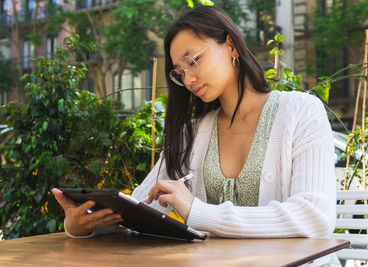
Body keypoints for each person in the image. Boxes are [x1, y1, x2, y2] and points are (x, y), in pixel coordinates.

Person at [53, 6, 338, 266]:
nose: (188, 79)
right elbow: (139, 208)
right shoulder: (194, 131)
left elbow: (315, 216)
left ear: (230, 45)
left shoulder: (301, 111)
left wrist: (198, 212)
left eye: (193, 61)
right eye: (179, 72)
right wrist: (83, 225)